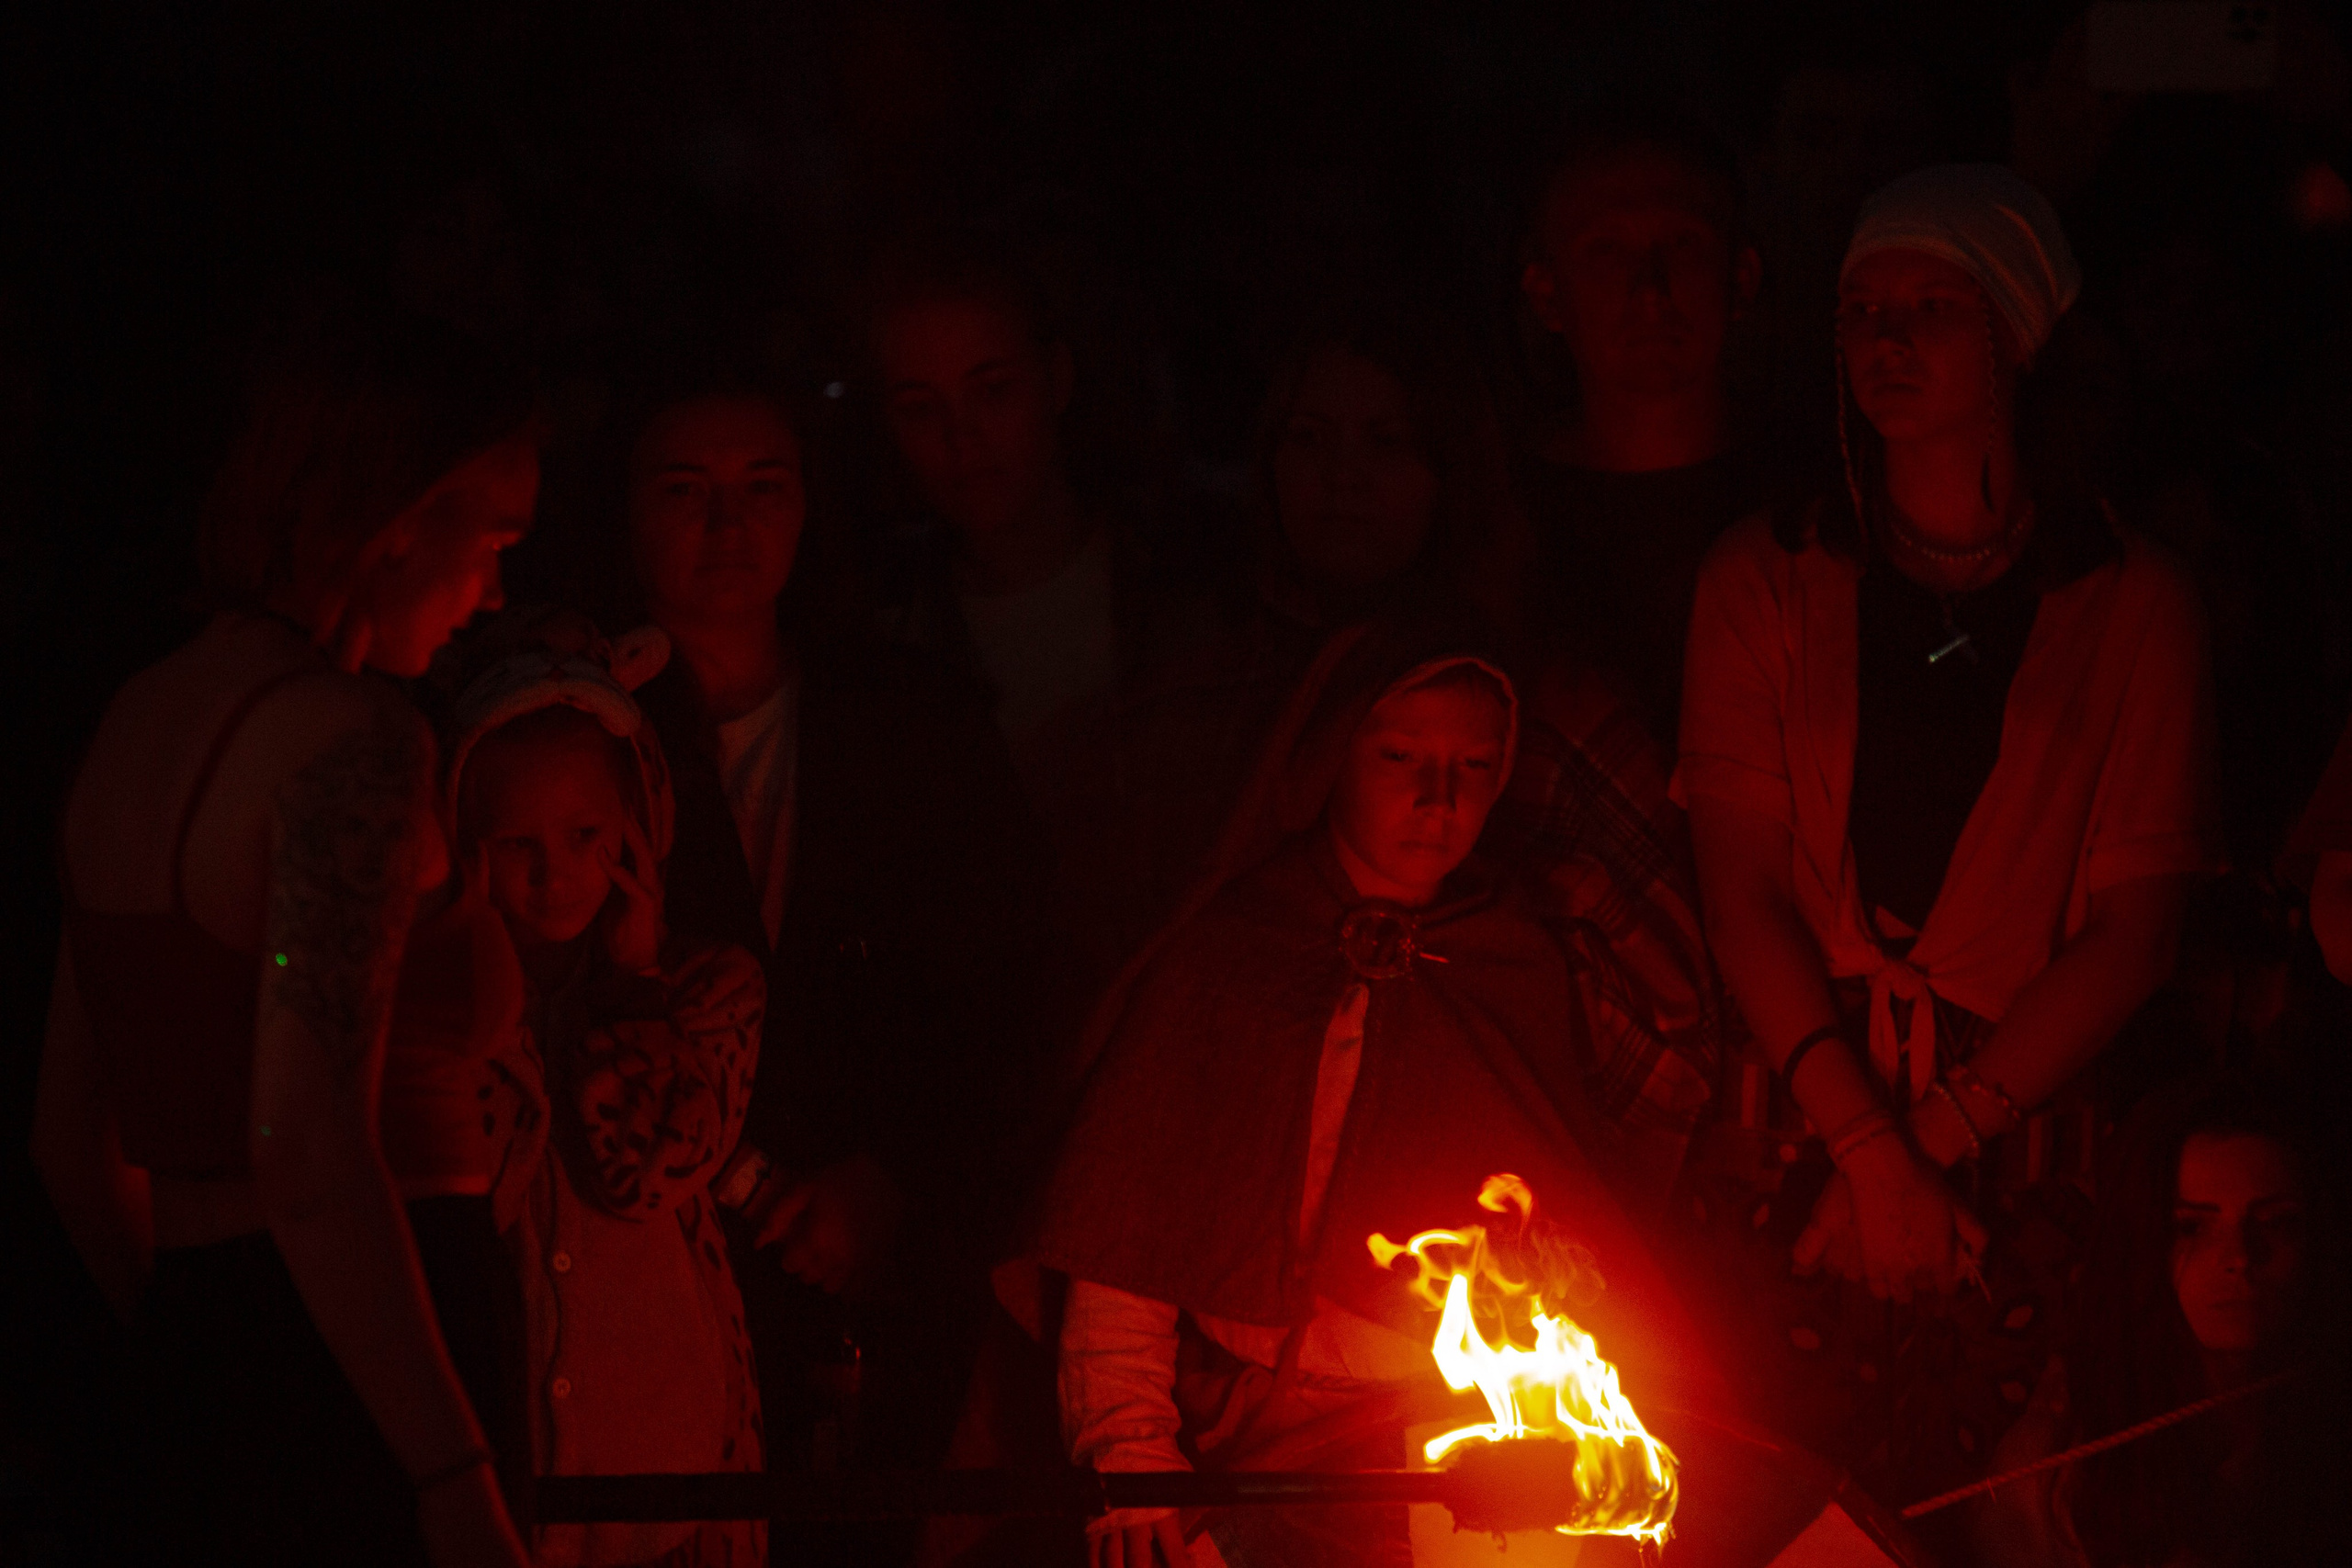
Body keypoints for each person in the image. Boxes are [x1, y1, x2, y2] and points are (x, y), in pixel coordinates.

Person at [1676, 164, 2219, 1510]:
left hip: (2023, 1131)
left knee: (2006, 1506)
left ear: (2019, 336)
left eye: (1933, 306)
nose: (1889, 338)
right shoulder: (1763, 576)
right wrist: (1870, 1154)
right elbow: (1741, 887)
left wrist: (1930, 1145)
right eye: (1863, 309)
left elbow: (2134, 930)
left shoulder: (2134, 605)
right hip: (1793, 1110)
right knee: (1761, 1499)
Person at [1031, 620, 1706, 1568]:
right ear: (1329, 756)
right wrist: (1132, 1453)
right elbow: (1124, 1240)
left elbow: (1572, 1268)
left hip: (1450, 1461)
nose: (1439, 798)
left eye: (1474, 765)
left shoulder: (1507, 962)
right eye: (1400, 756)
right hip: (1234, 1449)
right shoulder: (1230, 959)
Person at [32, 316, 539, 1565]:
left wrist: (206, 1341)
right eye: (493, 540)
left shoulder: (135, 724)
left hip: (207, 1353)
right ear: (400, 517)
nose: (496, 592)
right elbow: (310, 1143)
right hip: (377, 1381)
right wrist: (452, 1471)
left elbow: (67, 1138)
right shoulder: (346, 738)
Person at [605, 368, 1047, 1534]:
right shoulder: (581, 733)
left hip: (888, 1287)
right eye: (685, 489)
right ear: (627, 510)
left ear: (808, 504)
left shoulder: (913, 721)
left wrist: (894, 1177)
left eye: (763, 486)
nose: (728, 523)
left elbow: (1008, 992)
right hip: (652, 1275)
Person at [447, 623, 765, 1568]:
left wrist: (632, 990)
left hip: (664, 1504)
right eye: (518, 843)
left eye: (586, 837)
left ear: (639, 822)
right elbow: (474, 1203)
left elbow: (644, 1174)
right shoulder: (434, 1020)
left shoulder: (709, 997)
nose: (555, 874)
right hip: (505, 1497)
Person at [1973, 1075, 2344, 1567]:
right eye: (2190, 1227)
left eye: (2276, 1222)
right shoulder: (2059, 1462)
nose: (2239, 1257)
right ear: (2141, 1241)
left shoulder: (2330, 1422)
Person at [1512, 112, 1766, 751]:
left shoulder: (1816, 503)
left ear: (1740, 279)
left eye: (1681, 244)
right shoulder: (1492, 514)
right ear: (1546, 295)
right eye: (1607, 250)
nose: (1650, 290)